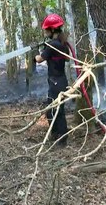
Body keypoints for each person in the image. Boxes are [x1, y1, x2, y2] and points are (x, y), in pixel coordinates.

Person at [34, 13, 70, 146]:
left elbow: (39, 59)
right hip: (61, 81)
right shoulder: (61, 45)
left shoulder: (52, 46)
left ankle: (62, 139)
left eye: (46, 30)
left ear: (53, 30)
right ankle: (57, 135)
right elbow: (66, 58)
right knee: (54, 110)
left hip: (56, 83)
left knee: (55, 111)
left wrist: (35, 53)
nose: (45, 32)